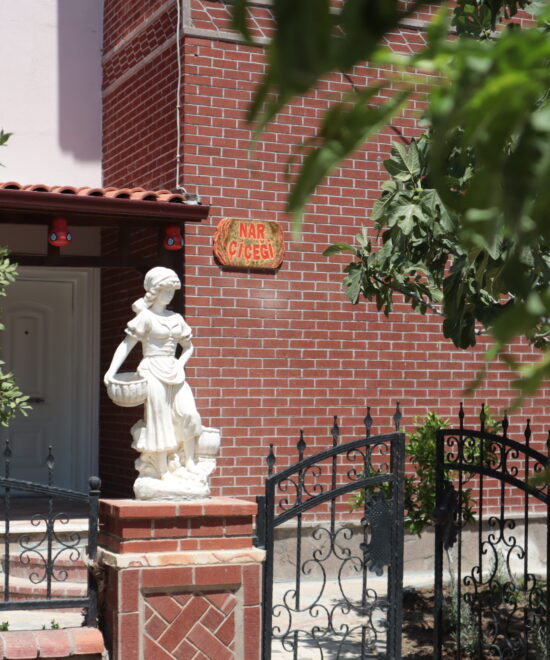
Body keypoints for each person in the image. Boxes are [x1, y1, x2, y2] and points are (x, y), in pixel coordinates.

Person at [104, 267, 203, 481]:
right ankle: (162, 470)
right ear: (155, 291)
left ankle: (189, 461)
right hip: (152, 370)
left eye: (172, 290)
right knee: (159, 420)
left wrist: (180, 364)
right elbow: (126, 344)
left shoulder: (176, 318)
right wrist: (111, 371)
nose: (170, 294)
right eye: (166, 289)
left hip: (174, 371)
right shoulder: (146, 317)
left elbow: (188, 347)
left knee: (189, 414)